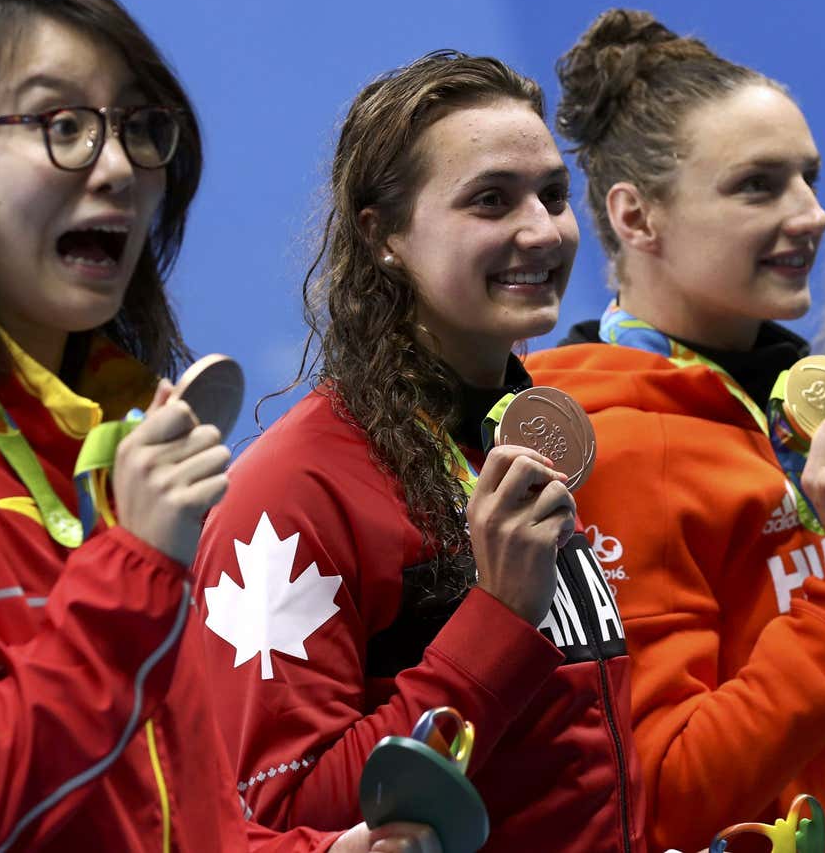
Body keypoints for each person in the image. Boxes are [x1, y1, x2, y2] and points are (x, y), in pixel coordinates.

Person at [0, 0, 433, 852]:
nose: (117, 168)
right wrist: (137, 565)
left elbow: (166, 820)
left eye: (139, 129)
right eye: (62, 126)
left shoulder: (119, 444)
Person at [190, 51, 645, 852]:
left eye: (553, 195)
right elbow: (283, 813)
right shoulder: (290, 496)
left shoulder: (537, 439)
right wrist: (498, 619)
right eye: (491, 201)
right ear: (384, 236)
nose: (542, 230)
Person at [526, 10, 825, 852]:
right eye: (758, 186)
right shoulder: (615, 445)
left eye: (809, 178)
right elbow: (668, 791)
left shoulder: (775, 407)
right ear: (636, 218)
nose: (811, 214)